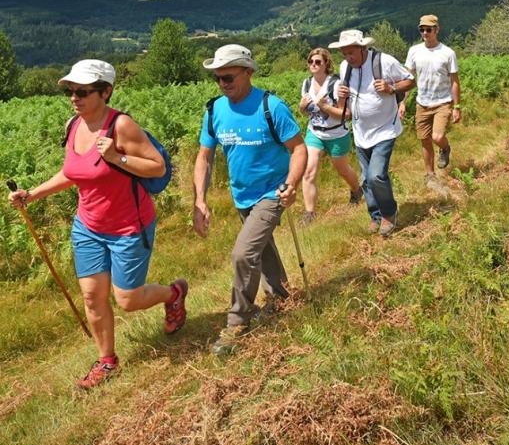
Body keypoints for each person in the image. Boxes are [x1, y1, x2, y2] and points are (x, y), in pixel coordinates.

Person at [7, 59, 187, 390]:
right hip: (88, 227)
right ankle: (107, 361)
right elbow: (72, 173)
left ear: (106, 92)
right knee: (92, 297)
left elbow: (157, 167)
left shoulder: (121, 127)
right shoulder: (73, 125)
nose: (74, 97)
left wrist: (117, 158)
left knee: (128, 299)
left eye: (83, 91)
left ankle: (174, 294)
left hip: (128, 227)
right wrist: (32, 194)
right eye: (71, 91)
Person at [193, 44, 307, 356]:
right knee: (261, 248)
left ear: (248, 72)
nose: (222, 83)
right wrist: (200, 200)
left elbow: (298, 148)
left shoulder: (271, 106)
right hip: (241, 195)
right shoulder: (215, 110)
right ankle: (281, 297)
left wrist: (292, 183)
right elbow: (204, 158)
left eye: (228, 76)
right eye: (217, 78)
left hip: (273, 193)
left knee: (243, 254)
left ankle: (236, 323)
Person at [329, 30, 414, 237]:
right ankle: (375, 216)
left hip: (385, 129)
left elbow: (410, 80)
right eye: (344, 53)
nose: (348, 58)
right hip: (360, 132)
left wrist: (391, 87)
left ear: (363, 48)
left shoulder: (384, 62)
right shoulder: (344, 67)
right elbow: (343, 103)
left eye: (351, 53)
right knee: (366, 179)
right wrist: (340, 95)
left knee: (376, 175)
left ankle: (388, 213)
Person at [299, 47, 362, 225]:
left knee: (341, 169)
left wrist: (325, 107)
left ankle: (357, 190)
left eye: (318, 61)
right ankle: (309, 213)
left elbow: (345, 114)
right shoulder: (306, 84)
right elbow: (306, 111)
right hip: (315, 133)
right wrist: (302, 108)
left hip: (337, 134)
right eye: (311, 61)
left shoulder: (336, 84)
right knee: (308, 172)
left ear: (326, 63)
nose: (313, 64)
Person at [405, 14, 461, 179]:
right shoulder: (414, 51)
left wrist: (457, 107)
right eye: (422, 29)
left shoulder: (448, 53)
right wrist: (402, 102)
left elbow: (455, 81)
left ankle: (445, 148)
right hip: (422, 103)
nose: (425, 33)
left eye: (428, 29)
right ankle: (430, 174)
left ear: (437, 30)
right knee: (425, 140)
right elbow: (408, 79)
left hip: (442, 102)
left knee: (437, 137)